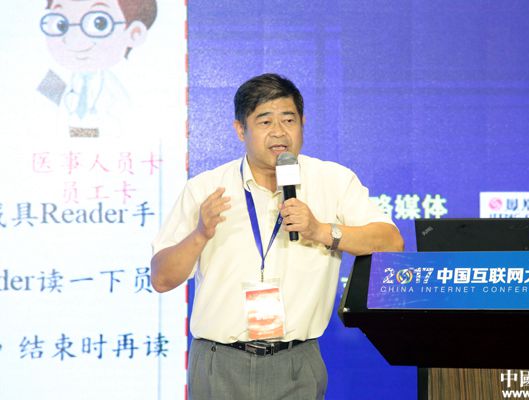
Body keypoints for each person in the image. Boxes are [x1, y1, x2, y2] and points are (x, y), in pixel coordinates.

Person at [151, 73, 405, 400]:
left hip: (296, 362)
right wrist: (200, 234)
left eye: (288, 119)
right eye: (265, 121)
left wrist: (321, 231)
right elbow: (162, 278)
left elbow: (391, 242)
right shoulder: (206, 189)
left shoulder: (334, 181)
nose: (279, 132)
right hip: (219, 362)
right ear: (240, 129)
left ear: (303, 123)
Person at [38, 0, 157, 137]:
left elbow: (115, 132)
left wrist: (77, 133)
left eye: (99, 24)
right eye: (61, 25)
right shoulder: (50, 82)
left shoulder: (124, 92)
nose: (73, 39)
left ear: (134, 33)